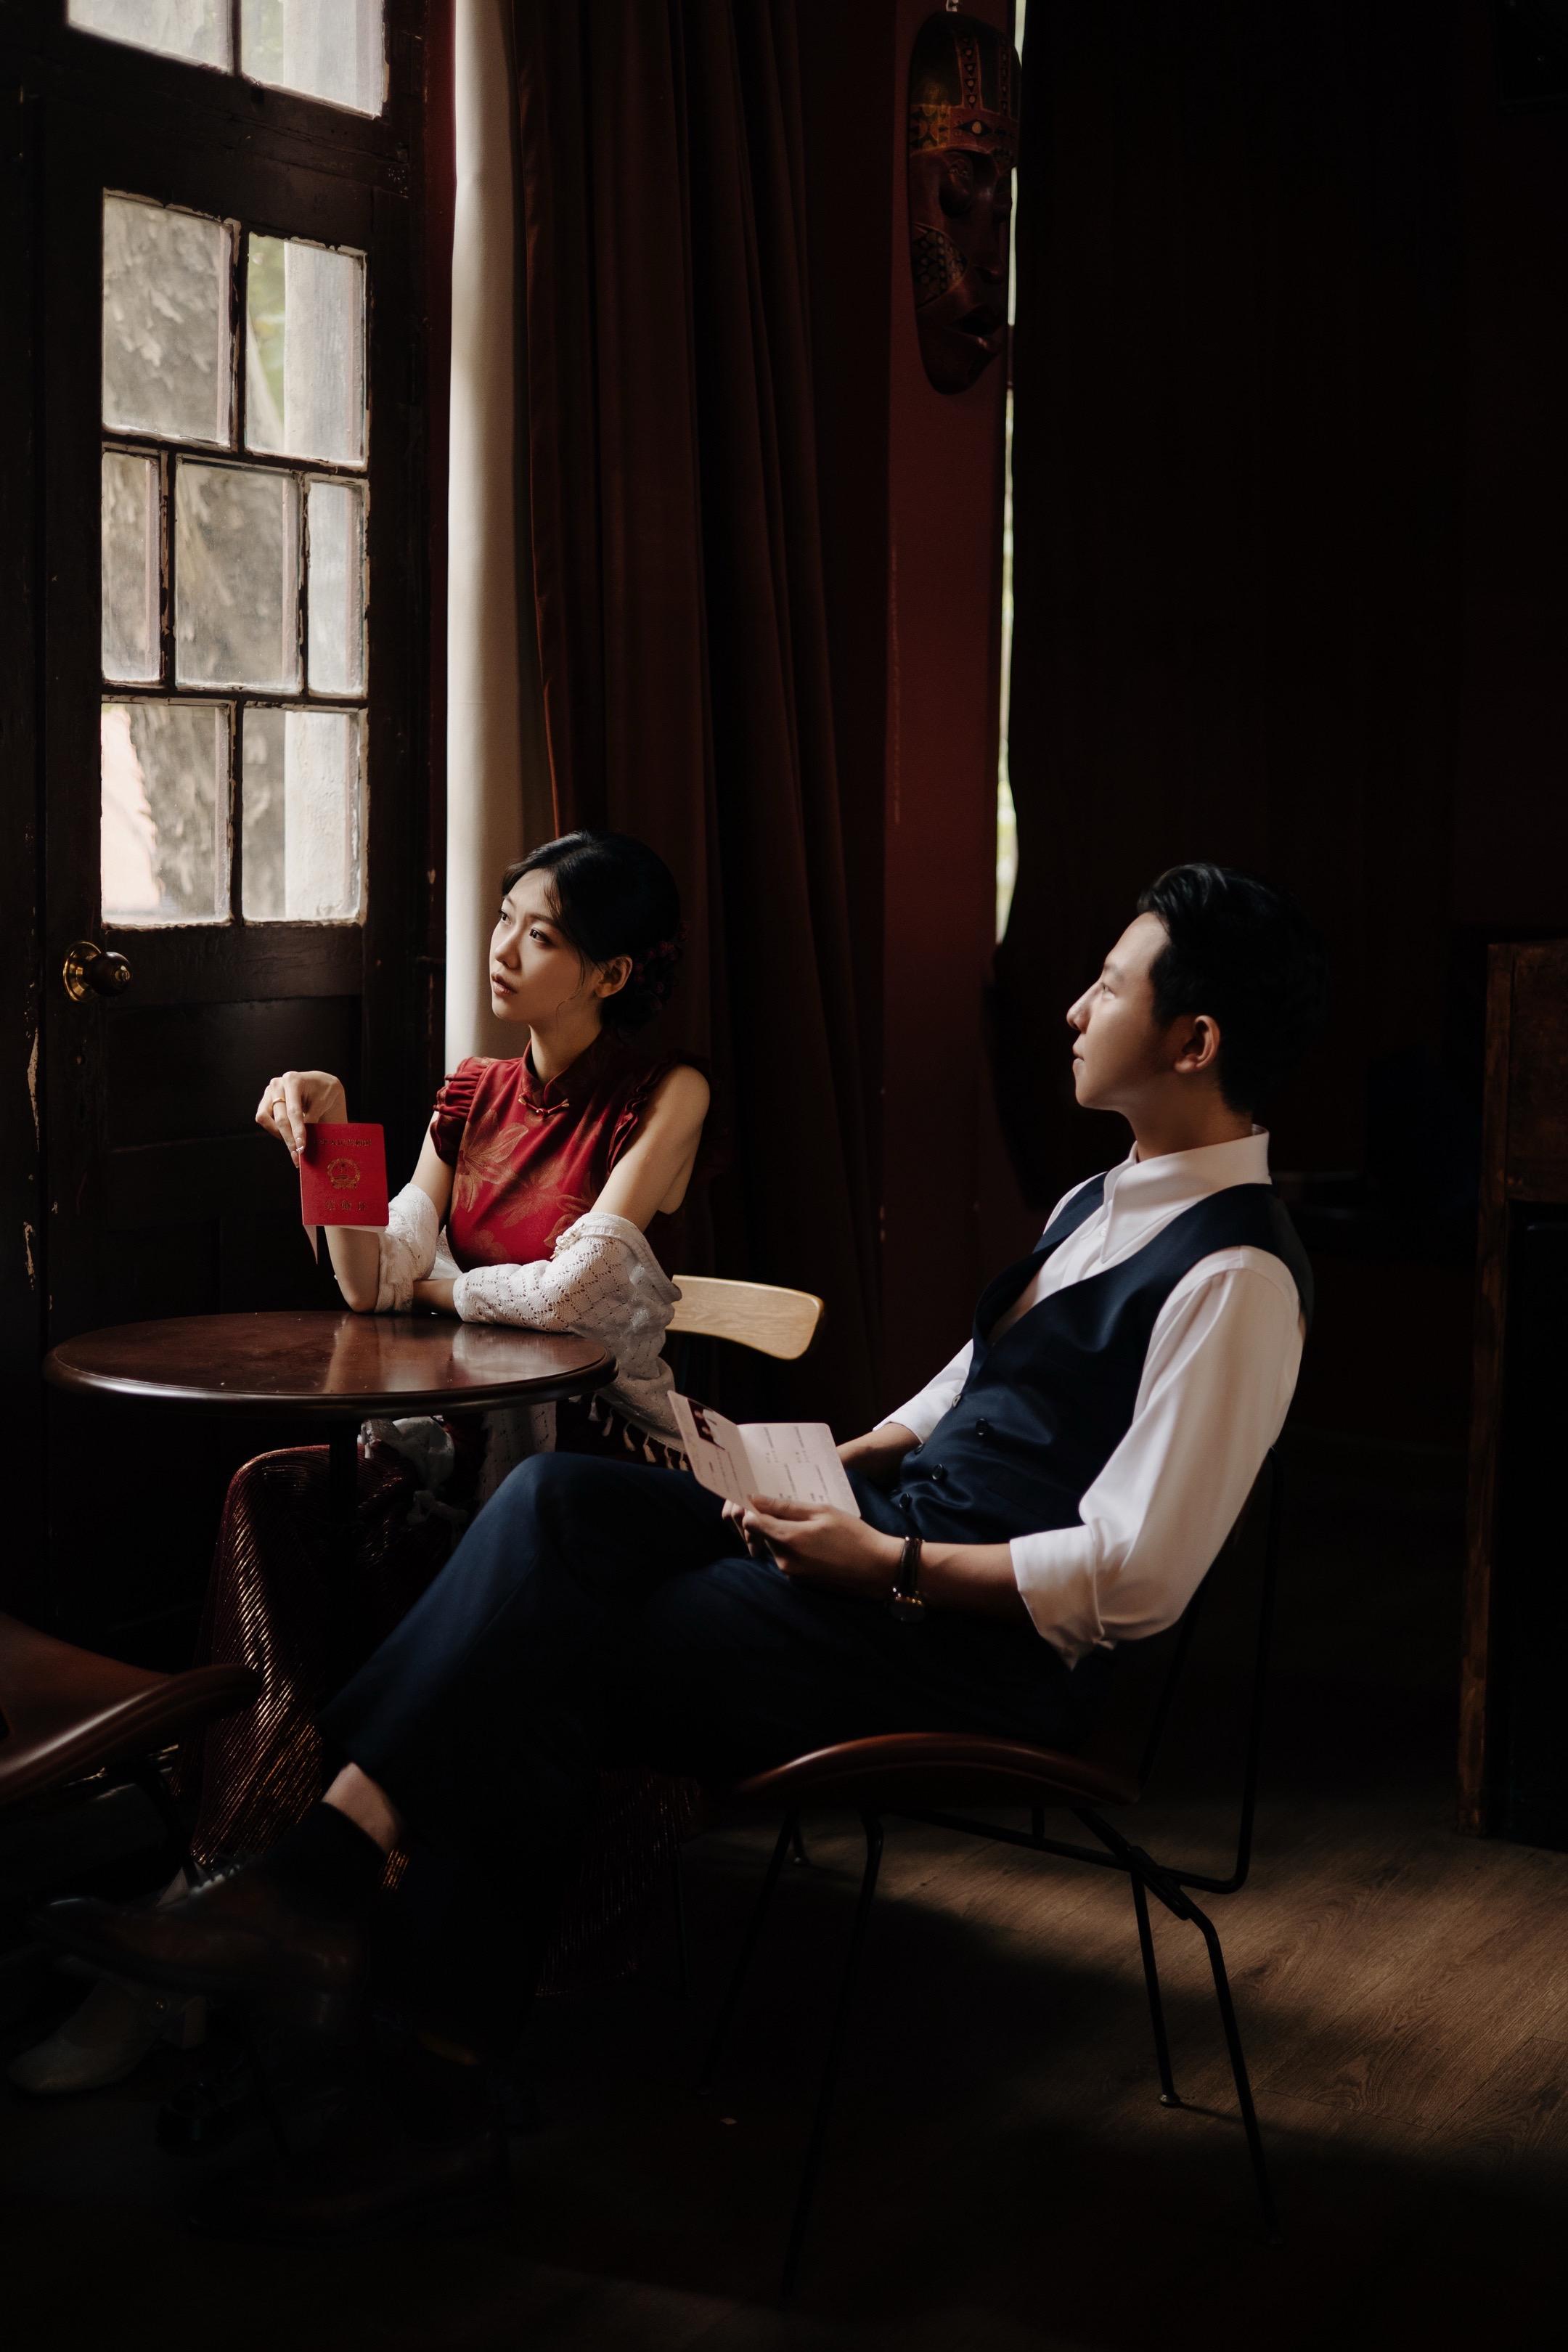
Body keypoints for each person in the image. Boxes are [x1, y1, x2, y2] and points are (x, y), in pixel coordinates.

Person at [36, 862, 1326, 2242]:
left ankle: (361, 1993)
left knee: (547, 1645)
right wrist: (808, 1468)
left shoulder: (1235, 1275)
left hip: (971, 1646)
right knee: (555, 1511)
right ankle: (345, 1936)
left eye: (1110, 986)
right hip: (878, 1549)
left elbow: (1138, 1577)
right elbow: (964, 1395)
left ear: (1195, 1041)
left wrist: (883, 1566)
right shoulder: (1098, 1203)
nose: (1073, 1008)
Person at [12, 830, 709, 2099]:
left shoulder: (666, 1097)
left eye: (544, 934)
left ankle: (205, 1937)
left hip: (592, 1464)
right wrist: (330, 1139)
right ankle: (232, 1884)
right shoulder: (472, 1091)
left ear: (613, 974)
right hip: (458, 1449)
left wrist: (445, 1287)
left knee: (384, 1532)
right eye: (505, 917)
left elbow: (584, 1302)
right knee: (273, 1492)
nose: (504, 947)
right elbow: (377, 1281)